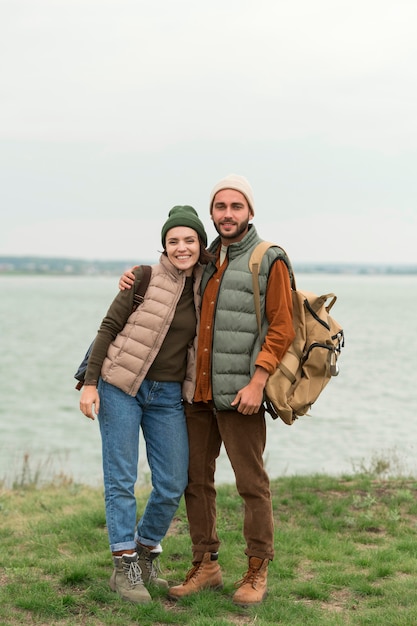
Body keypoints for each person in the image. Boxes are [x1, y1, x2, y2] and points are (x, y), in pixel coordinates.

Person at [119, 175, 295, 606]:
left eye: (236, 206)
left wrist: (257, 382)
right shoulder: (204, 257)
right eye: (220, 207)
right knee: (195, 482)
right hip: (195, 395)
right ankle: (207, 565)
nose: (228, 214)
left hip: (242, 396)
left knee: (251, 484)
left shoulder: (267, 258)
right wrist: (132, 277)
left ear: (249, 212)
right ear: (212, 214)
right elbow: (166, 280)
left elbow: (282, 327)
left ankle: (257, 569)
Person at [79, 205, 211, 604]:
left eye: (189, 240)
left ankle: (146, 548)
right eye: (174, 240)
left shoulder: (207, 285)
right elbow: (108, 328)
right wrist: (89, 384)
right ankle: (124, 568)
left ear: (200, 244)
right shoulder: (143, 277)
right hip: (120, 386)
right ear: (164, 245)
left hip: (168, 395)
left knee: (172, 482)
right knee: (121, 480)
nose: (181, 247)